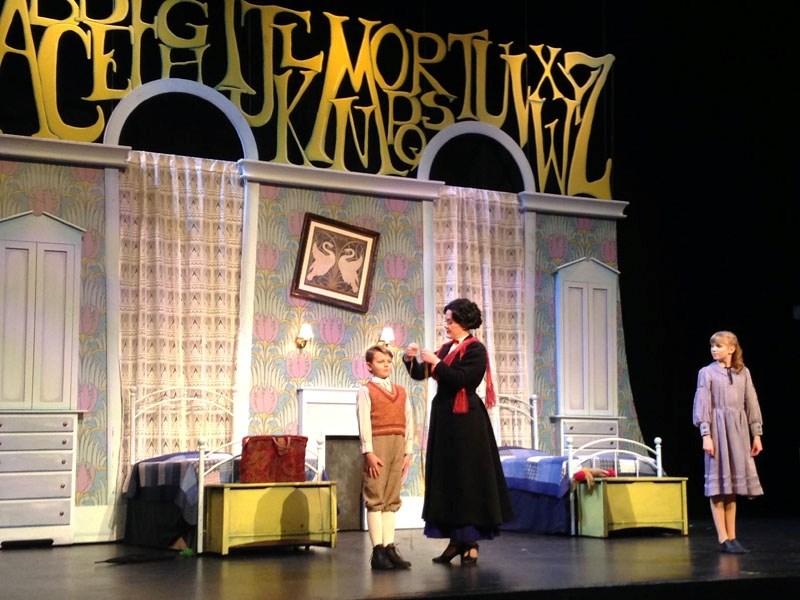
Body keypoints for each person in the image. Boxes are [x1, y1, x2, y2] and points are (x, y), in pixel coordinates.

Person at [402, 298, 513, 566]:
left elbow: (463, 380)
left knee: (466, 480)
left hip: (466, 424)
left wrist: (437, 364)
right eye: (446, 320)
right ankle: (455, 541)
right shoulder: (447, 347)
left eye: (450, 321)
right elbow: (421, 373)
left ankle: (470, 541)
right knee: (448, 480)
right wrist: (410, 359)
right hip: (446, 420)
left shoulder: (475, 349)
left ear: (463, 322)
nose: (446, 325)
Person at [692, 330, 764, 554]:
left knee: (731, 487)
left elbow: (751, 402)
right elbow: (702, 403)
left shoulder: (743, 373)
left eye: (719, 346)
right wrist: (706, 435)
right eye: (712, 346)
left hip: (738, 431)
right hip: (717, 430)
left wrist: (756, 434)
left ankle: (733, 537)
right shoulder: (706, 373)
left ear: (731, 349)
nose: (714, 349)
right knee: (717, 487)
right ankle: (723, 538)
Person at [356, 344, 414, 570]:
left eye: (388, 362)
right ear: (369, 366)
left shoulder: (401, 391)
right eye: (380, 362)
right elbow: (364, 422)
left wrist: (408, 450)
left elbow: (408, 420)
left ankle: (390, 548)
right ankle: (378, 551)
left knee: (391, 498)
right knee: (376, 495)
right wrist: (368, 451)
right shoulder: (366, 390)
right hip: (378, 445)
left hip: (398, 445)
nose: (386, 365)